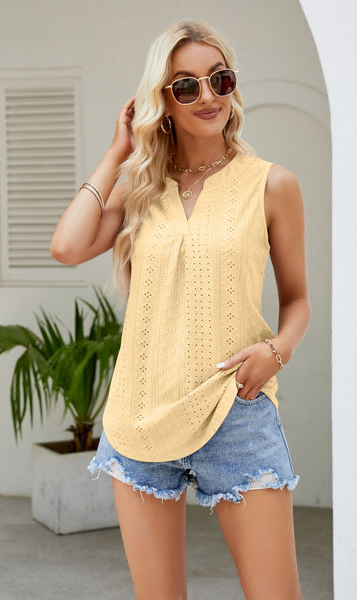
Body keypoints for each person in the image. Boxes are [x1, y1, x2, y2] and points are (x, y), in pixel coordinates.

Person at [51, 19, 310, 600]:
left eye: (220, 79)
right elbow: (66, 247)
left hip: (235, 409)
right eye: (187, 86)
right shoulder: (140, 190)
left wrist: (277, 351)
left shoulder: (272, 185)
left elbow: (298, 300)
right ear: (162, 101)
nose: (208, 95)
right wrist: (117, 152)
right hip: (141, 413)